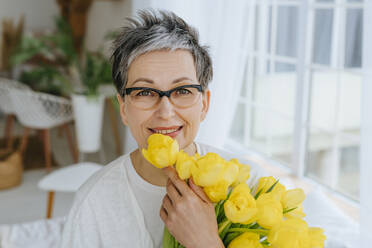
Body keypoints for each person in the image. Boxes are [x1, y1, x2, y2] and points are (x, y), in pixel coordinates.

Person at [61, 9, 264, 248]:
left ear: (204, 104)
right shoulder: (92, 203)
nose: (166, 112)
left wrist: (206, 242)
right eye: (145, 92)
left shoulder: (249, 188)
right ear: (124, 108)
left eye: (182, 91)